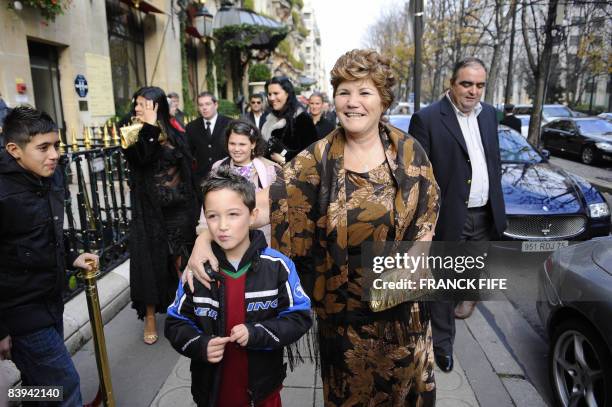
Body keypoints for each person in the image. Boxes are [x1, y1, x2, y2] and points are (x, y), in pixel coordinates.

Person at [188, 49, 440, 405]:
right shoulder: (315, 160)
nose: (352, 103)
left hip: (403, 317)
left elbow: (427, 220)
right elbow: (260, 204)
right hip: (345, 323)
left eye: (364, 92)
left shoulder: (411, 153)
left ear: (383, 100)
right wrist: (203, 235)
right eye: (344, 92)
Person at [165, 168, 312, 406]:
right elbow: (175, 323)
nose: (222, 225)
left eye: (233, 214)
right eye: (213, 216)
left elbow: (299, 317)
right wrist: (200, 345)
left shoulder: (278, 267)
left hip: (263, 389)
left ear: (253, 215)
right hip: (210, 390)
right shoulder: (198, 270)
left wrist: (257, 333)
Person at [408, 57, 506, 373]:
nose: (473, 91)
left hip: (484, 215)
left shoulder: (490, 115)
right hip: (449, 217)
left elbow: (492, 160)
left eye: (479, 85)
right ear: (452, 84)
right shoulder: (427, 119)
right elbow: (419, 177)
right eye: (466, 83)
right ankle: (443, 346)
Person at [0, 106, 99, 405]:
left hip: (49, 300)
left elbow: (49, 233)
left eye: (56, 145)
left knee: (38, 385)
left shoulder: (47, 177)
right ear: (14, 149)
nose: (54, 154)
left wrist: (71, 257)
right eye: (43, 148)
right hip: (21, 313)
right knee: (64, 385)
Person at [122, 86, 200, 345]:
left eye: (144, 103)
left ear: (158, 106)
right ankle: (150, 317)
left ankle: (188, 310)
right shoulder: (130, 130)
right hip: (150, 212)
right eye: (137, 103)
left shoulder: (176, 129)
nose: (138, 107)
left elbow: (187, 167)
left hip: (179, 208)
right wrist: (149, 127)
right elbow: (141, 160)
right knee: (150, 263)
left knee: (182, 261)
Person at [198, 119, 278, 244]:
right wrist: (204, 236)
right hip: (226, 238)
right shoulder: (218, 167)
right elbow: (207, 205)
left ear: (253, 144)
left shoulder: (269, 170)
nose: (236, 149)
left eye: (242, 144)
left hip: (261, 240)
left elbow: (276, 208)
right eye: (232, 143)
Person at [260, 76, 317, 165]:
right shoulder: (266, 118)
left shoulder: (302, 119)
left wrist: (284, 160)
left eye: (276, 93)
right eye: (269, 94)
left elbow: (312, 156)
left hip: (293, 177)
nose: (271, 98)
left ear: (287, 94)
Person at [185, 92, 232, 187]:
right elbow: (189, 153)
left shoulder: (229, 124)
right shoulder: (191, 127)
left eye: (207, 104)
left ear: (216, 105)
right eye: (201, 105)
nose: (204, 108)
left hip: (225, 177)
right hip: (201, 180)